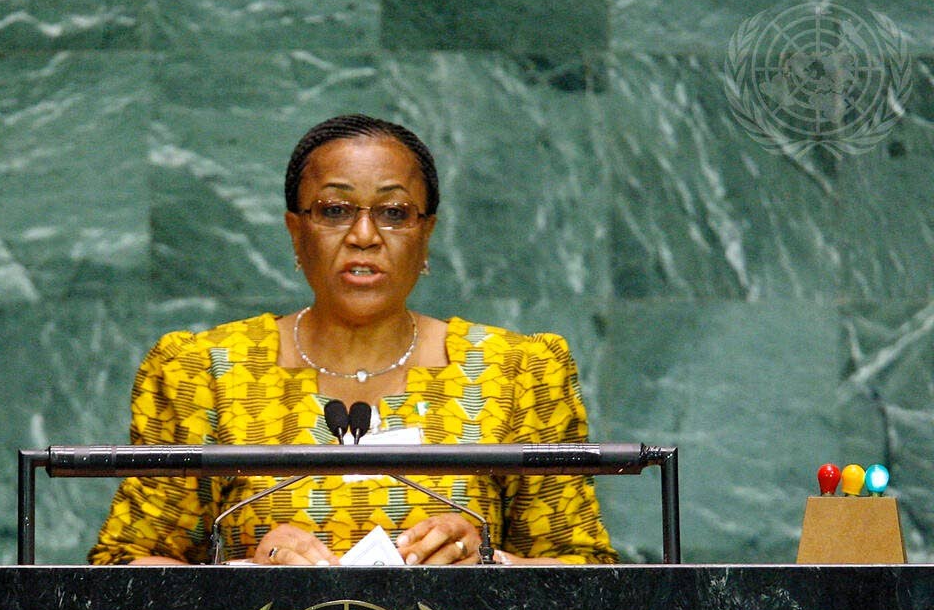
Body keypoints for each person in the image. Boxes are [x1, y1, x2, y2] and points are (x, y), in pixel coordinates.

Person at [89, 114, 617, 566]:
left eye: (394, 213)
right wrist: (247, 570)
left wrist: (487, 562)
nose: (364, 236)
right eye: (335, 211)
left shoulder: (516, 373)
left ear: (426, 233)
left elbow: (586, 574)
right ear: (296, 231)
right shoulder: (205, 373)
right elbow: (123, 569)